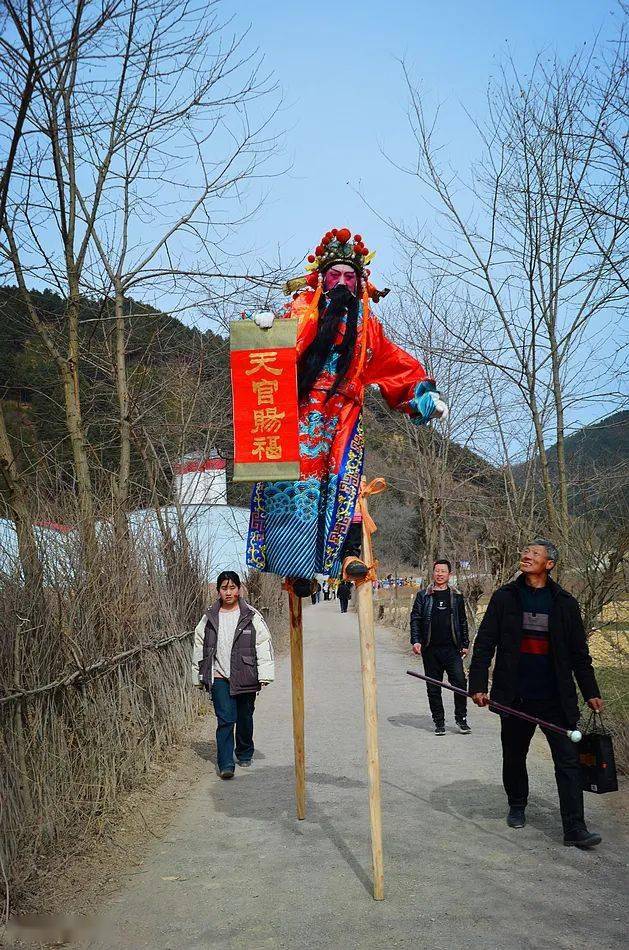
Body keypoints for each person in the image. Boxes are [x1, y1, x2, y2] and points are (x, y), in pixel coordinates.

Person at [246, 228, 448, 596]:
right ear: (321, 279)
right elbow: (271, 351)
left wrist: (422, 395)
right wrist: (265, 333)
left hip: (342, 414)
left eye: (349, 277)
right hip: (298, 412)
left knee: (343, 482)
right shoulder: (301, 311)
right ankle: (295, 568)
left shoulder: (367, 326)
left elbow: (392, 365)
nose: (341, 283)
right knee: (292, 486)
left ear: (360, 283)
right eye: (334, 276)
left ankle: (346, 556)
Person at [469, 539, 604, 848]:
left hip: (556, 698)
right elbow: (485, 642)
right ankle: (517, 804)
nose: (526, 555)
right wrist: (477, 685)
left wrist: (591, 691)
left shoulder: (565, 603)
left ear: (549, 564)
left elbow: (579, 654)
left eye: (535, 553)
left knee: (568, 761)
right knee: (515, 755)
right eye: (526, 551)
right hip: (516, 696)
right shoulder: (505, 599)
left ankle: (574, 828)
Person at [194, 571, 275, 779]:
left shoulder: (251, 615)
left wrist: (264, 674)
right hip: (219, 675)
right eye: (224, 588)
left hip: (246, 673)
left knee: (245, 717)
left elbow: (263, 643)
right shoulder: (209, 617)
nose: (228, 592)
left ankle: (245, 751)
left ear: (239, 589)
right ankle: (226, 763)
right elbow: (199, 646)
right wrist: (199, 676)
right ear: (218, 590)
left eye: (232, 588)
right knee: (225, 720)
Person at [410, 559, 471, 735]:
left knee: (460, 683)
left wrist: (465, 644)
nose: (439, 574)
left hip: (452, 649)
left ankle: (461, 719)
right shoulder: (424, 596)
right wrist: (416, 640)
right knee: (433, 686)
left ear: (449, 574)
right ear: (433, 573)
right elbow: (416, 619)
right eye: (437, 571)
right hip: (430, 649)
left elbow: (462, 621)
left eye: (443, 571)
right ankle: (439, 721)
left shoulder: (456, 596)